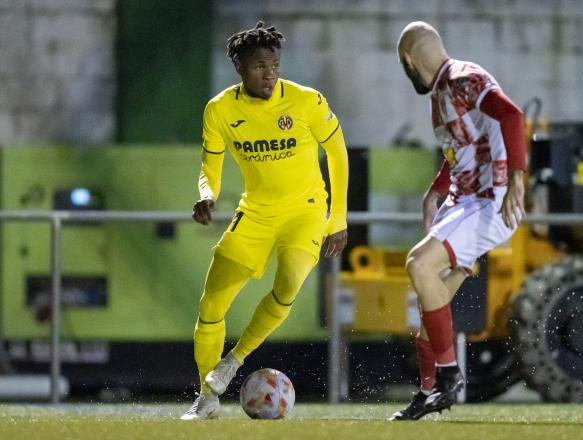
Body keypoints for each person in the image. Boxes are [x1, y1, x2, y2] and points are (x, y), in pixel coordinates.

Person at [181, 21, 349, 420]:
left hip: (305, 211)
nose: (269, 73)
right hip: (254, 213)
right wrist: (207, 195)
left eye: (274, 64)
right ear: (239, 66)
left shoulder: (307, 101)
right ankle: (206, 398)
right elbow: (211, 166)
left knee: (290, 281)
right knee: (211, 305)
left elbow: (338, 154)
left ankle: (235, 360)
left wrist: (337, 217)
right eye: (259, 65)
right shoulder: (220, 109)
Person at [389, 21, 526, 420]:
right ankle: (430, 393)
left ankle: (449, 376)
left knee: (418, 264)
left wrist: (517, 175)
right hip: (462, 202)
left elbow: (512, 116)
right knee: (431, 305)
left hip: (488, 202)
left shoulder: (464, 77)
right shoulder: (443, 91)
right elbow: (464, 148)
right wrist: (436, 190)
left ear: (409, 59)